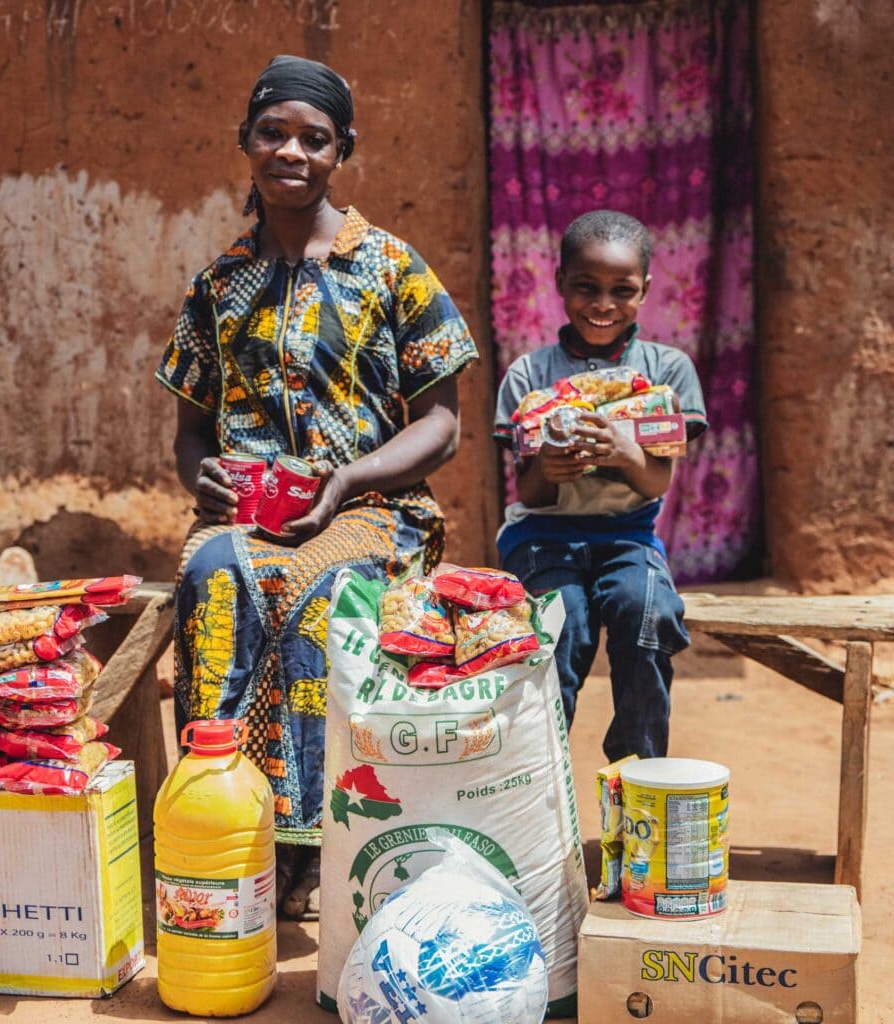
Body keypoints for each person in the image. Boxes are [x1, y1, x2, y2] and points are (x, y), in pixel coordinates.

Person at [155, 55, 477, 919]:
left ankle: (312, 844)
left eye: (314, 138)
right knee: (214, 582)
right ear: (246, 142)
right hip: (249, 516)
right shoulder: (217, 288)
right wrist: (207, 481)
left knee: (324, 596)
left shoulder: (393, 269)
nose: (290, 151)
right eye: (273, 133)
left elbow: (440, 422)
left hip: (373, 508)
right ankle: (221, 828)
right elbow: (189, 437)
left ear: (343, 151)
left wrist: (347, 481)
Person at [493, 209, 708, 763]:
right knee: (559, 629)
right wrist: (549, 469)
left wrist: (626, 453)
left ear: (646, 291)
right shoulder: (529, 376)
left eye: (622, 290)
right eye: (586, 287)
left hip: (628, 535)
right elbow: (529, 493)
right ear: (560, 281)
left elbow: (658, 479)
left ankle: (638, 764)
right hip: (544, 536)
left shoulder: (667, 372)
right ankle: (539, 774)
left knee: (647, 613)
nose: (603, 305)